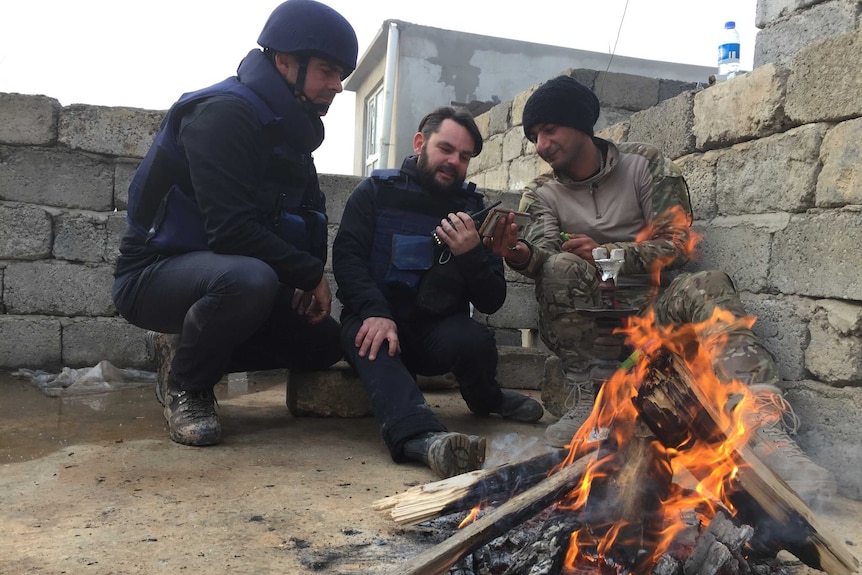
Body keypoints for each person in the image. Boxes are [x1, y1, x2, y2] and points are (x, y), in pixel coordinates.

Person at [484, 74, 836, 504]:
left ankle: (764, 429)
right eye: (534, 136)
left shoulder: (646, 164)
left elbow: (680, 245)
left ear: (580, 125)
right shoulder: (541, 192)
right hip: (594, 319)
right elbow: (538, 257)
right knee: (558, 266)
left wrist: (609, 253)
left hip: (656, 311)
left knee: (710, 284)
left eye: (549, 130)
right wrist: (516, 253)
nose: (541, 145)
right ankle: (592, 399)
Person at [112, 0, 358, 447]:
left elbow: (311, 210)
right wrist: (304, 274)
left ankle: (183, 346)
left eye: (341, 74)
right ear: (285, 61)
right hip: (156, 273)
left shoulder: (290, 127)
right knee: (251, 279)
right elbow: (230, 230)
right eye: (327, 70)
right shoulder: (224, 113)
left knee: (324, 343)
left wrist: (310, 275)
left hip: (228, 274)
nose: (337, 86)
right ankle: (187, 386)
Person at [332, 106, 545, 479]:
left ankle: (487, 399)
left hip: (435, 331)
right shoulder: (375, 193)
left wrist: (471, 255)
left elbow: (492, 300)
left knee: (475, 339)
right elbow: (347, 260)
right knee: (374, 342)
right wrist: (374, 311)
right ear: (420, 143)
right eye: (446, 149)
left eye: (464, 157)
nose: (454, 161)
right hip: (376, 319)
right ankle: (421, 438)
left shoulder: (475, 211)